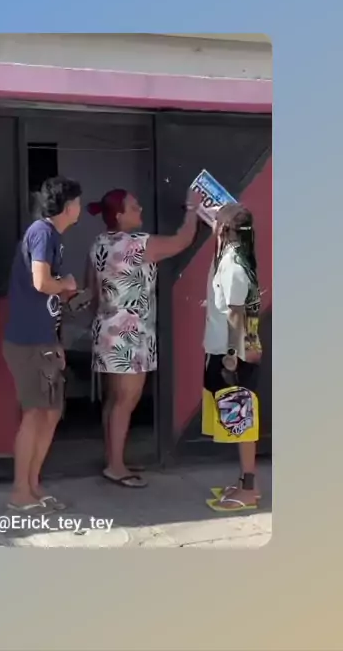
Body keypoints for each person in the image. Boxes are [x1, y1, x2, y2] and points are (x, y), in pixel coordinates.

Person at [86, 187, 201, 488]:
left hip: (107, 328)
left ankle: (114, 458)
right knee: (126, 400)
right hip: (131, 334)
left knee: (115, 399)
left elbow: (92, 290)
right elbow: (182, 240)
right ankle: (115, 466)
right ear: (119, 215)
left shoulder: (99, 243)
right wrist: (193, 209)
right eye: (134, 207)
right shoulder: (136, 244)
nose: (140, 211)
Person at [2, 176, 82, 510]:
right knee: (36, 413)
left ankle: (33, 486)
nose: (80, 207)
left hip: (41, 340)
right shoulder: (43, 233)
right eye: (77, 202)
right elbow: (41, 282)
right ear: (68, 206)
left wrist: (55, 341)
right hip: (29, 342)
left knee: (49, 412)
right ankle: (20, 492)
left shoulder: (50, 236)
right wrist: (66, 284)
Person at [203, 202, 263, 511]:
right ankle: (244, 482)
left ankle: (249, 488)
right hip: (226, 349)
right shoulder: (230, 256)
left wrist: (231, 354)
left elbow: (236, 313)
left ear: (224, 229)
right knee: (237, 419)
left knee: (242, 421)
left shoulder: (234, 265)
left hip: (231, 354)